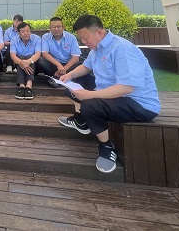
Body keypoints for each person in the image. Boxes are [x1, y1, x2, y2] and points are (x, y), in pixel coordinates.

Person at [58, 15, 160, 174]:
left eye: (85, 38)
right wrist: (69, 76)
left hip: (138, 103)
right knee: (73, 84)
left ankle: (106, 146)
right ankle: (81, 121)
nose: (83, 42)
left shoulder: (122, 49)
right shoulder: (96, 48)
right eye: (81, 39)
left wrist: (91, 95)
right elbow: (86, 67)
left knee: (89, 105)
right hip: (116, 96)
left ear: (99, 32)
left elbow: (126, 88)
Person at [37, 17, 94, 89]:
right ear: (50, 28)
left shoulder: (71, 37)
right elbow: (44, 54)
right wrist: (58, 65)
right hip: (54, 65)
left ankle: (58, 77)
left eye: (58, 26)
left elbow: (75, 57)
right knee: (40, 61)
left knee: (84, 63)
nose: (56, 29)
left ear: (63, 27)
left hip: (69, 65)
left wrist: (64, 68)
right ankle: (64, 77)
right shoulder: (45, 37)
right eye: (53, 27)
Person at [10, 22, 41, 100]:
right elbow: (12, 55)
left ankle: (29, 85)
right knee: (21, 57)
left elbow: (38, 54)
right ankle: (22, 85)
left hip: (33, 66)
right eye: (23, 31)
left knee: (29, 56)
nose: (26, 33)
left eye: (28, 31)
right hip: (19, 65)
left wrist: (28, 62)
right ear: (19, 33)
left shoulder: (37, 39)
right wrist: (22, 62)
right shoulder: (14, 40)